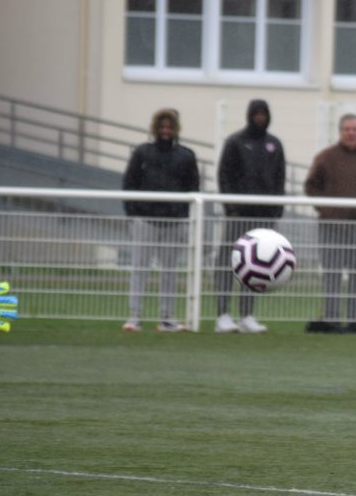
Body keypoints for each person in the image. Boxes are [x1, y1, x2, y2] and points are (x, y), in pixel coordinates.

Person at [120, 108, 199, 332]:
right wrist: (133, 213)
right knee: (139, 269)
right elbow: (129, 183)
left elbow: (193, 187)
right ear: (155, 128)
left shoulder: (186, 155)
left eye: (169, 127)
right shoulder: (141, 153)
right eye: (162, 127)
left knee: (170, 271)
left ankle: (167, 318)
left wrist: (183, 214)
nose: (165, 131)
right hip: (145, 220)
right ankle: (134, 317)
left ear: (175, 129)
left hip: (174, 222)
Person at [304, 113, 356, 334]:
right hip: (333, 227)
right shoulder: (326, 157)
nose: (351, 133)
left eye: (355, 129)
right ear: (340, 131)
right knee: (332, 273)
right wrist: (326, 210)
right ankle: (332, 319)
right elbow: (311, 186)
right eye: (347, 129)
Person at [214, 99, 286, 334]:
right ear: (249, 115)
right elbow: (224, 176)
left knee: (254, 265)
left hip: (263, 216)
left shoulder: (274, 144)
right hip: (238, 214)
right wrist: (231, 208)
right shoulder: (235, 142)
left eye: (263, 114)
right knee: (227, 262)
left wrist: (276, 208)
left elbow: (280, 178)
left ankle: (246, 315)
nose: (259, 118)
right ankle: (222, 315)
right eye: (256, 113)